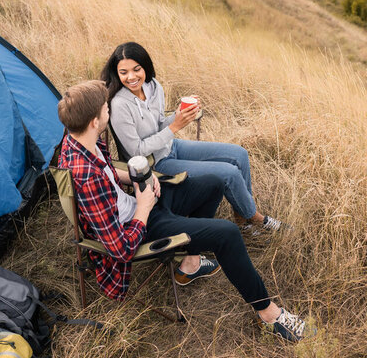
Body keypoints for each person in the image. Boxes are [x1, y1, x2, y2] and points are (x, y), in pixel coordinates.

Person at [57, 80, 314, 342]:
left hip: (138, 203)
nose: (108, 110)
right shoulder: (86, 177)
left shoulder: (78, 140)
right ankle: (269, 314)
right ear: (93, 121)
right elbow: (121, 249)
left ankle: (190, 264)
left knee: (215, 182)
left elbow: (108, 171)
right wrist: (144, 208)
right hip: (138, 227)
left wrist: (141, 177)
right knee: (227, 234)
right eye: (104, 108)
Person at [101, 42, 281, 232]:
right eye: (123, 72)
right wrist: (174, 126)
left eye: (136, 69)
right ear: (117, 73)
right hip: (154, 163)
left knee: (239, 154)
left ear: (145, 66)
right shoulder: (120, 105)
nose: (131, 77)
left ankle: (242, 219)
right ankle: (255, 217)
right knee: (230, 173)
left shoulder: (153, 87)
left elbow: (159, 124)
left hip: (171, 147)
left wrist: (179, 115)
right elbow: (136, 150)